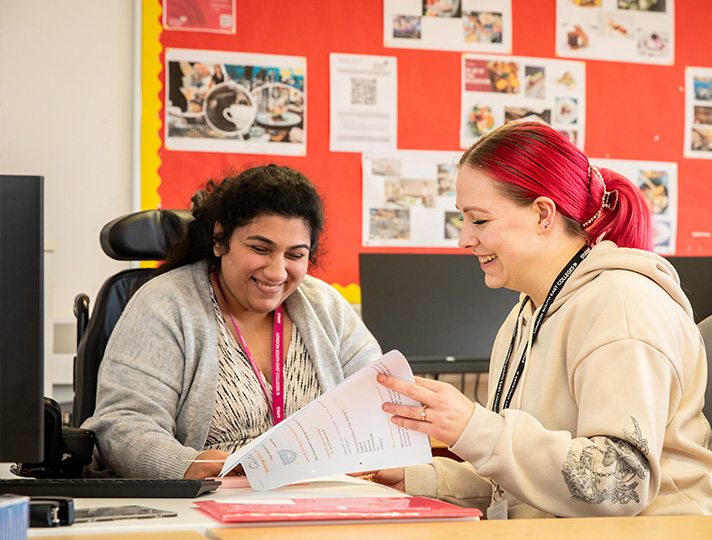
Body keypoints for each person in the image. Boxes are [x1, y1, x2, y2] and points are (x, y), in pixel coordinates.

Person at [373, 121, 712, 517]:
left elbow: (617, 483)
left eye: (479, 220)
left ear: (542, 214)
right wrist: (423, 481)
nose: (464, 238)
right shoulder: (525, 314)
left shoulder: (621, 303)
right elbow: (529, 481)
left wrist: (474, 427)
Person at [85, 165, 382, 479]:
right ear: (219, 238)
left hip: (324, 500)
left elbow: (378, 403)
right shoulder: (165, 304)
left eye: (295, 255)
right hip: (211, 501)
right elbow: (122, 425)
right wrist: (189, 466)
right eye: (260, 248)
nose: (277, 272)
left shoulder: (325, 305)